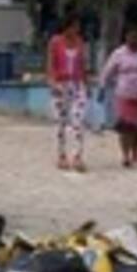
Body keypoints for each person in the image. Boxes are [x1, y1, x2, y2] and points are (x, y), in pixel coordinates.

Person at [100, 25, 137, 167]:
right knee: (125, 127)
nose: (133, 40)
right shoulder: (118, 53)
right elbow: (108, 70)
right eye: (130, 37)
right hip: (124, 93)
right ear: (125, 38)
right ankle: (125, 156)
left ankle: (136, 155)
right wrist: (102, 86)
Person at [46, 14, 89, 172]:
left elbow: (83, 64)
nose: (77, 29)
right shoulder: (55, 42)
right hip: (60, 85)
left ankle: (77, 156)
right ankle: (62, 155)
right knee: (61, 123)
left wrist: (86, 84)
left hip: (77, 85)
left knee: (78, 121)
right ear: (67, 26)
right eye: (74, 26)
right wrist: (52, 82)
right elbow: (50, 64)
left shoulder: (79, 42)